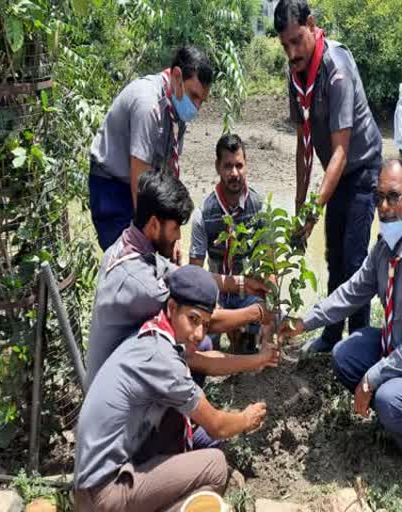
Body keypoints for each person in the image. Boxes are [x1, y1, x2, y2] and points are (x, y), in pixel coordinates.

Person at [280, 158, 402, 485]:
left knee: (388, 397)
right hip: (397, 348)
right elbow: (350, 293)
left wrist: (371, 380)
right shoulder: (385, 247)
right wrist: (303, 322)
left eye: (393, 197)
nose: (385, 207)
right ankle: (397, 412)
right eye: (378, 198)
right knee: (344, 355)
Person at [75, 265, 268, 512]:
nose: (198, 334)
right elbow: (218, 426)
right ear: (173, 307)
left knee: (197, 436)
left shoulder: (154, 331)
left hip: (97, 478)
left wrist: (257, 360)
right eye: (193, 320)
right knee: (215, 466)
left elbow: (207, 361)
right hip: (103, 495)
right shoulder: (162, 360)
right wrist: (245, 419)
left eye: (205, 325)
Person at [85, 169, 275, 390]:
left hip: (122, 366)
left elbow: (185, 277)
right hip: (116, 392)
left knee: (199, 343)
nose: (178, 237)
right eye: (175, 228)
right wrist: (258, 314)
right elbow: (205, 321)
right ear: (155, 224)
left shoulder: (128, 243)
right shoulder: (143, 286)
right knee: (193, 346)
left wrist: (243, 284)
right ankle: (174, 419)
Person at [274, 0, 383, 353]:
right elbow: (303, 145)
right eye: (284, 45)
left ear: (312, 24)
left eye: (296, 40)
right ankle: (331, 337)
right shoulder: (296, 74)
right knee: (333, 255)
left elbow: (340, 150)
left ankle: (360, 344)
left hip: (362, 168)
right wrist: (299, 207)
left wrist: (312, 213)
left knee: (354, 262)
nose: (292, 52)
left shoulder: (336, 66)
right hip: (334, 174)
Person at [89, 46, 211, 251]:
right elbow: (140, 179)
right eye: (194, 95)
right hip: (113, 188)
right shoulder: (148, 104)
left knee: (156, 257)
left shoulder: (176, 109)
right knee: (131, 260)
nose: (197, 107)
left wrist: (173, 235)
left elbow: (168, 174)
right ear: (177, 76)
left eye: (202, 100)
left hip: (143, 187)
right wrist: (149, 240)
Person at [190, 134, 265, 353]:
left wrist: (270, 310)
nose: (234, 173)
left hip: (248, 292)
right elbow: (195, 275)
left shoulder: (259, 207)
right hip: (215, 293)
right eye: (228, 166)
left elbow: (269, 264)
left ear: (246, 165)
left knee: (252, 344)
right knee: (206, 348)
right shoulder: (203, 213)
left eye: (239, 165)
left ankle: (247, 342)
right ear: (217, 167)